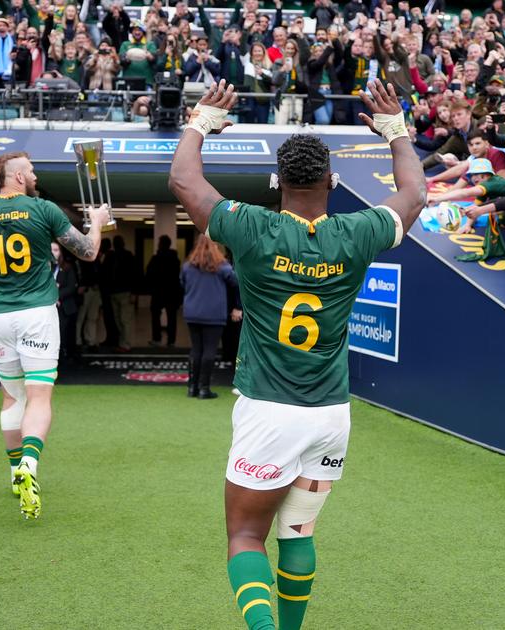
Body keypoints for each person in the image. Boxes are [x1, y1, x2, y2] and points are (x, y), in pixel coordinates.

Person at [168, 79, 426, 630]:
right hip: (332, 413)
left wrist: (202, 121)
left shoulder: (252, 227)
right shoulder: (358, 233)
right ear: (332, 181)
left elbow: (183, 180)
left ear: (274, 181)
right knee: (297, 534)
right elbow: (415, 196)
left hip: (269, 409)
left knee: (245, 536)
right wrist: (396, 130)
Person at [0, 151, 108, 519]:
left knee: (11, 398)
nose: (34, 176)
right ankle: (30, 463)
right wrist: (96, 220)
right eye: (30, 171)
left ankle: (15, 471)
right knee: (39, 396)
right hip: (37, 314)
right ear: (16, 176)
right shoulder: (42, 209)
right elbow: (89, 251)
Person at [181, 235, 237, 399]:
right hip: (214, 314)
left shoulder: (187, 267)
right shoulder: (222, 266)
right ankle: (204, 388)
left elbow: (182, 284)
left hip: (192, 312)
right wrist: (236, 306)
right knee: (210, 350)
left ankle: (192, 388)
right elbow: (236, 283)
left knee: (196, 349)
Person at [146, 234, 183, 347]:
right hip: (172, 292)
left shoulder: (156, 258)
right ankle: (171, 341)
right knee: (172, 318)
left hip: (158, 291)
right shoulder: (175, 259)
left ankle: (157, 339)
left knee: (155, 316)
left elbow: (148, 273)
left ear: (161, 244)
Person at [51, 242, 80, 361]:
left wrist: (56, 296)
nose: (53, 252)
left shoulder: (67, 267)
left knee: (66, 333)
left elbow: (71, 287)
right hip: (51, 307)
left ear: (61, 252)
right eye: (51, 250)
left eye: (56, 250)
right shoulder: (46, 268)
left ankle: (68, 356)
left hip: (65, 307)